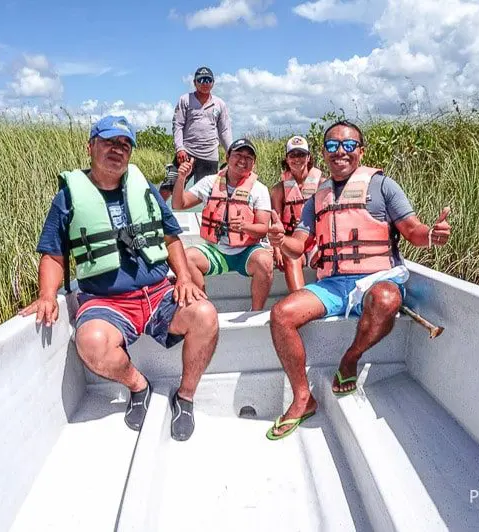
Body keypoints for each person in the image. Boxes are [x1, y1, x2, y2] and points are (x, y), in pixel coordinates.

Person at [19, 115, 219, 442]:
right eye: (109, 142)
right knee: (92, 344)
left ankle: (185, 397)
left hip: (157, 294)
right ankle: (138, 385)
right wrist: (46, 294)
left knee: (206, 315)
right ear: (91, 147)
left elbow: (170, 237)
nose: (117, 150)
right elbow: (54, 254)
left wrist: (183, 276)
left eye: (125, 145)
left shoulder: (145, 191)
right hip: (107, 301)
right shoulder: (68, 198)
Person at [265, 120, 452, 440]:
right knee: (281, 315)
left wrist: (432, 235)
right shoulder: (317, 199)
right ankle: (302, 398)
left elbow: (412, 230)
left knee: (387, 299)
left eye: (349, 145)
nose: (341, 152)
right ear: (323, 154)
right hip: (334, 284)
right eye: (333, 146)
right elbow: (298, 245)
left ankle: (350, 358)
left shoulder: (383, 186)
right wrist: (279, 239)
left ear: (361, 151)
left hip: (379, 277)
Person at [171, 138, 274, 311]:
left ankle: (255, 312)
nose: (243, 160)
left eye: (249, 157)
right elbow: (178, 204)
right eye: (238, 155)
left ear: (254, 163)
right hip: (216, 250)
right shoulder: (210, 182)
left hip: (246, 252)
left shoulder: (259, 189)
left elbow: (263, 228)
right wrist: (181, 178)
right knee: (186, 257)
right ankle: (205, 309)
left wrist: (246, 226)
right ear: (227, 157)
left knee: (265, 261)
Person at [159, 66, 233, 201]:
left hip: (209, 156)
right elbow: (178, 125)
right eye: (201, 80)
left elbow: (224, 131)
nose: (205, 83)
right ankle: (156, 216)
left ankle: (209, 221)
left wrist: (231, 151)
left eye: (208, 80)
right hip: (186, 154)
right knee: (168, 186)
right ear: (194, 82)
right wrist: (179, 148)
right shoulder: (185, 100)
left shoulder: (220, 104)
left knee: (209, 194)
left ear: (213, 82)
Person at [270, 135, 325, 292]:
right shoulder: (278, 190)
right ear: (287, 159)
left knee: (326, 259)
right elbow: (276, 222)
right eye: (293, 155)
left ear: (308, 158)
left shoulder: (322, 185)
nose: (297, 159)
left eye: (301, 154)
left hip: (316, 242)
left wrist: (324, 248)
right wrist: (277, 250)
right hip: (291, 242)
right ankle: (300, 300)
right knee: (290, 257)